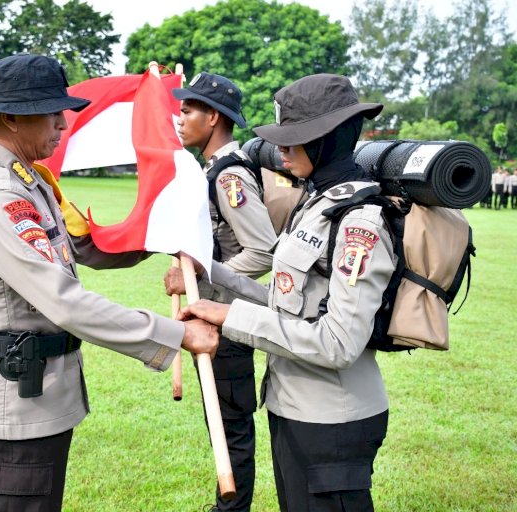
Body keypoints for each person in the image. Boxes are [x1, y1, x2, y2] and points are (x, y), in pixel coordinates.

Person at [0, 54, 219, 512]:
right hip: (13, 405)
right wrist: (178, 334)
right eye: (51, 112)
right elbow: (64, 301)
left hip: (38, 397)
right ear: (12, 117)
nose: (62, 122)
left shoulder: (30, 182)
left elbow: (80, 249)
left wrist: (162, 236)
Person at [167, 74, 393, 511]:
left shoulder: (358, 221)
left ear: (326, 140)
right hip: (296, 406)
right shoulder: (316, 202)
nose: (282, 151)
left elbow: (337, 342)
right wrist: (209, 270)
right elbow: (285, 299)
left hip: (332, 416)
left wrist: (229, 316)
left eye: (295, 140)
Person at [172, 72, 278, 512]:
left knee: (231, 424)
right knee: (221, 420)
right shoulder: (210, 169)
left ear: (212, 117)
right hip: (213, 313)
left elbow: (263, 249)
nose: (180, 119)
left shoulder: (229, 176)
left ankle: (232, 508)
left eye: (188, 111)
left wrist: (204, 271)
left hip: (230, 318)